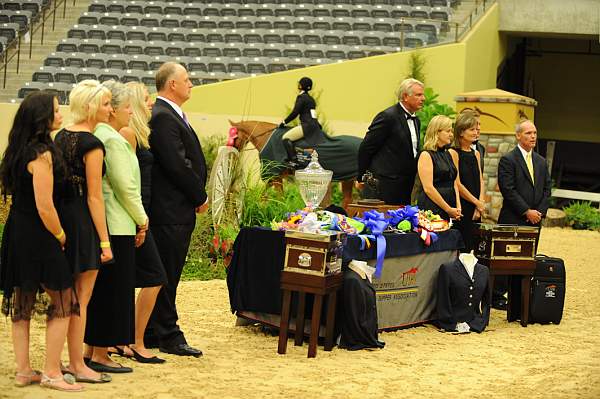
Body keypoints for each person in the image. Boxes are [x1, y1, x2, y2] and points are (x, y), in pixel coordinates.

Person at [0, 91, 83, 392]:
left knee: (22, 303)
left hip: (17, 231)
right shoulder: (42, 155)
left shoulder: (16, 151)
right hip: (40, 234)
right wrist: (61, 234)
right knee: (64, 301)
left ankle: (24, 370)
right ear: (42, 118)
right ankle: (51, 371)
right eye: (57, 110)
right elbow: (44, 206)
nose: (61, 115)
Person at [85, 81, 148, 373]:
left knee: (102, 290)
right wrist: (142, 218)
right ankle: (100, 353)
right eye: (125, 108)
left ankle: (90, 349)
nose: (128, 113)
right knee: (115, 291)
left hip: (106, 221)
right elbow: (126, 186)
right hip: (118, 222)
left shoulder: (100, 134)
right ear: (112, 112)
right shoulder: (112, 139)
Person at [145, 62, 208, 357]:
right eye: (187, 79)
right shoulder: (163, 117)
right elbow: (176, 165)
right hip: (169, 211)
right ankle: (168, 333)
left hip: (175, 209)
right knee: (166, 273)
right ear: (172, 85)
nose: (191, 83)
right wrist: (199, 195)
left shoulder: (169, 115)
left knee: (168, 273)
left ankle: (150, 329)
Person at [54, 80, 113, 384]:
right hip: (81, 221)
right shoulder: (92, 144)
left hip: (60, 219)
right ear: (90, 106)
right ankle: (78, 364)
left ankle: (64, 360)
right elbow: (94, 196)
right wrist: (105, 241)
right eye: (105, 104)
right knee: (81, 299)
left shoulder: (60, 137)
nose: (110, 109)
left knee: (65, 297)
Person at [115, 81, 167, 364]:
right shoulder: (127, 133)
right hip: (135, 217)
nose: (151, 103)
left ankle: (123, 339)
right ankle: (135, 340)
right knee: (156, 276)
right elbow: (127, 182)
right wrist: (140, 221)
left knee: (131, 280)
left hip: (140, 214)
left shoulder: (138, 133)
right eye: (146, 99)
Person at [494, 119, 552, 310]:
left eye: (534, 133)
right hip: (514, 217)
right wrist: (526, 211)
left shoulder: (541, 162)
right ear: (518, 136)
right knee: (508, 257)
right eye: (528, 133)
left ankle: (519, 296)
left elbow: (547, 189)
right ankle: (497, 296)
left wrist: (539, 213)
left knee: (526, 260)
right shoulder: (508, 160)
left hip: (535, 220)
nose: (533, 136)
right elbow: (508, 190)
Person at [357, 78, 425, 205]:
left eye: (423, 94)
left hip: (406, 184)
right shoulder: (388, 116)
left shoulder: (416, 120)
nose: (423, 98)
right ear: (405, 96)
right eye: (418, 95)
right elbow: (367, 147)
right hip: (385, 184)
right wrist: (361, 176)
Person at [449, 111, 486, 252]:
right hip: (463, 205)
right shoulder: (453, 153)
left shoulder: (476, 153)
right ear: (461, 132)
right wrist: (476, 203)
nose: (476, 133)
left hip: (476, 206)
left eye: (477, 129)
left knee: (475, 245)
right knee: (463, 245)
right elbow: (457, 183)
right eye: (472, 129)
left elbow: (480, 180)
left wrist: (480, 204)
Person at [416, 115, 462, 221]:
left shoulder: (448, 154)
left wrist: (458, 206)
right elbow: (428, 188)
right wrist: (448, 209)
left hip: (450, 205)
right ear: (437, 132)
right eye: (448, 131)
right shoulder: (426, 155)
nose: (451, 135)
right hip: (433, 207)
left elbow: (454, 182)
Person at [279, 77, 321, 165]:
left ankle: (293, 161)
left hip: (307, 126)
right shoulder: (311, 99)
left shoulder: (301, 97)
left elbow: (295, 113)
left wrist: (284, 122)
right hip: (315, 125)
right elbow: (313, 114)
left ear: (301, 86)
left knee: (285, 138)